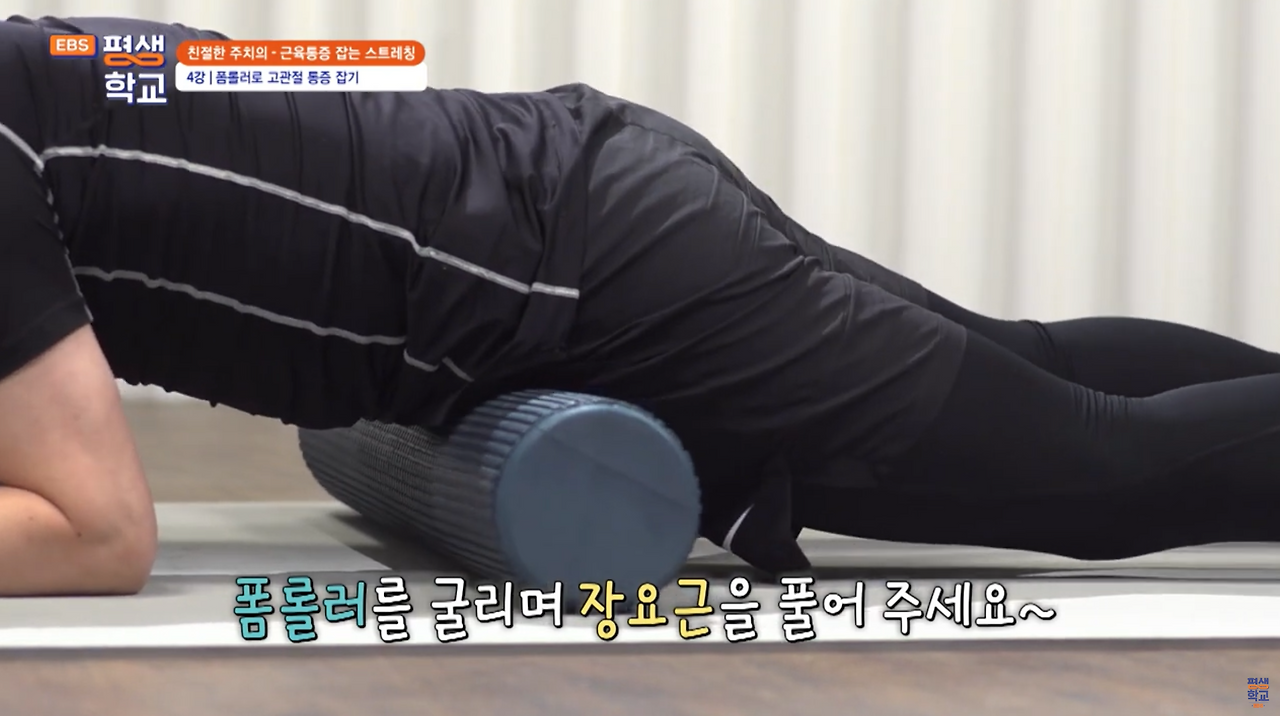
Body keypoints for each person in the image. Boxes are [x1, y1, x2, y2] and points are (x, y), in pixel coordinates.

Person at [3, 15, 1280, 597]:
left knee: (1097, 473)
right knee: (1041, 376)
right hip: (578, 187)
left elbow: (99, 531)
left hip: (600, 278)